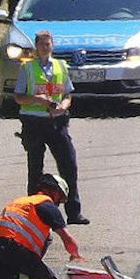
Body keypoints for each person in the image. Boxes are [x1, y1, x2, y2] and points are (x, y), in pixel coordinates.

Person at [12, 30, 88, 225]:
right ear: (36, 47)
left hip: (56, 122)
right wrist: (37, 99)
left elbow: (68, 95)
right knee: (35, 169)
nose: (45, 47)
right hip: (34, 122)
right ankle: (34, 213)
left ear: (52, 46)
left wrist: (63, 106)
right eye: (42, 44)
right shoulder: (27, 69)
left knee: (69, 166)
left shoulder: (60, 67)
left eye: (48, 44)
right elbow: (18, 97)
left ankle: (73, 212)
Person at [0, 172, 83, 279]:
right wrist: (76, 255)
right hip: (16, 249)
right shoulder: (47, 205)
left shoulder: (22, 201)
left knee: (12, 257)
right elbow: (67, 238)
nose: (58, 203)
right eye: (60, 198)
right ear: (55, 191)